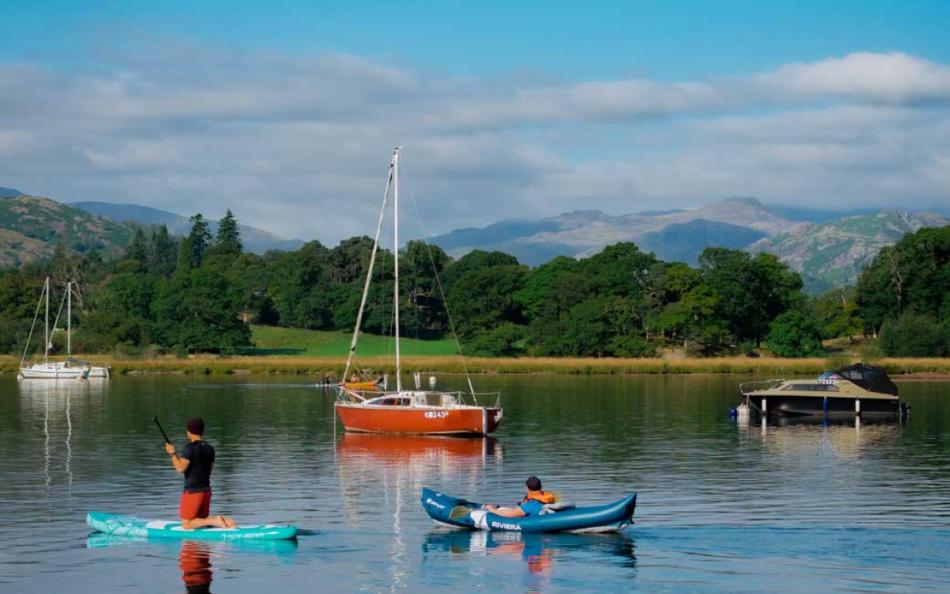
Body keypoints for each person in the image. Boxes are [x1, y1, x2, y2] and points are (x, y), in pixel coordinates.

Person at [164, 417, 237, 529]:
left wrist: (172, 453)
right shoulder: (210, 449)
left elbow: (180, 468)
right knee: (200, 521)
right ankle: (227, 522)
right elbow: (210, 470)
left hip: (193, 492)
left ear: (189, 431)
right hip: (206, 491)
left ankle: (216, 520)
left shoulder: (189, 449)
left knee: (187, 524)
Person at [484, 476, 557, 518]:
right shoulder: (549, 498)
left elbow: (509, 514)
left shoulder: (530, 505)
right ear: (541, 487)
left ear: (527, 488)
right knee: (503, 508)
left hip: (534, 523)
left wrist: (492, 510)